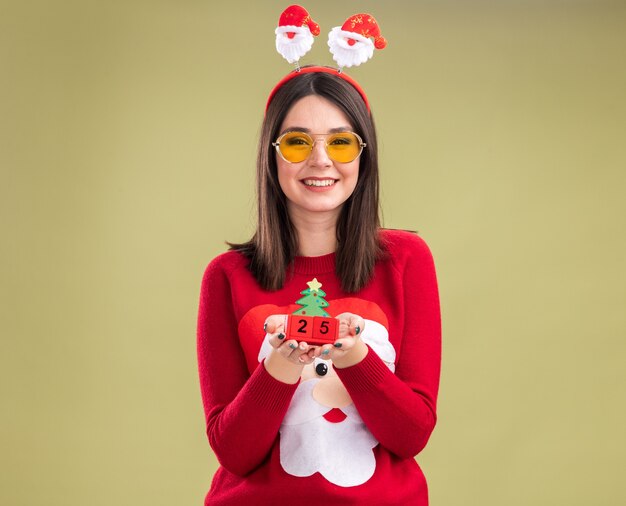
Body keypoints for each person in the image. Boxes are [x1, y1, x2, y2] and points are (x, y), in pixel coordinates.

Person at [196, 63, 441, 505]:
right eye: (297, 142)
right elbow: (234, 451)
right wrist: (282, 363)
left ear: (363, 156)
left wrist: (358, 359)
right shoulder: (226, 276)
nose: (321, 160)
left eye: (341, 142)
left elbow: (411, 435)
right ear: (273, 156)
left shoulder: (407, 261)